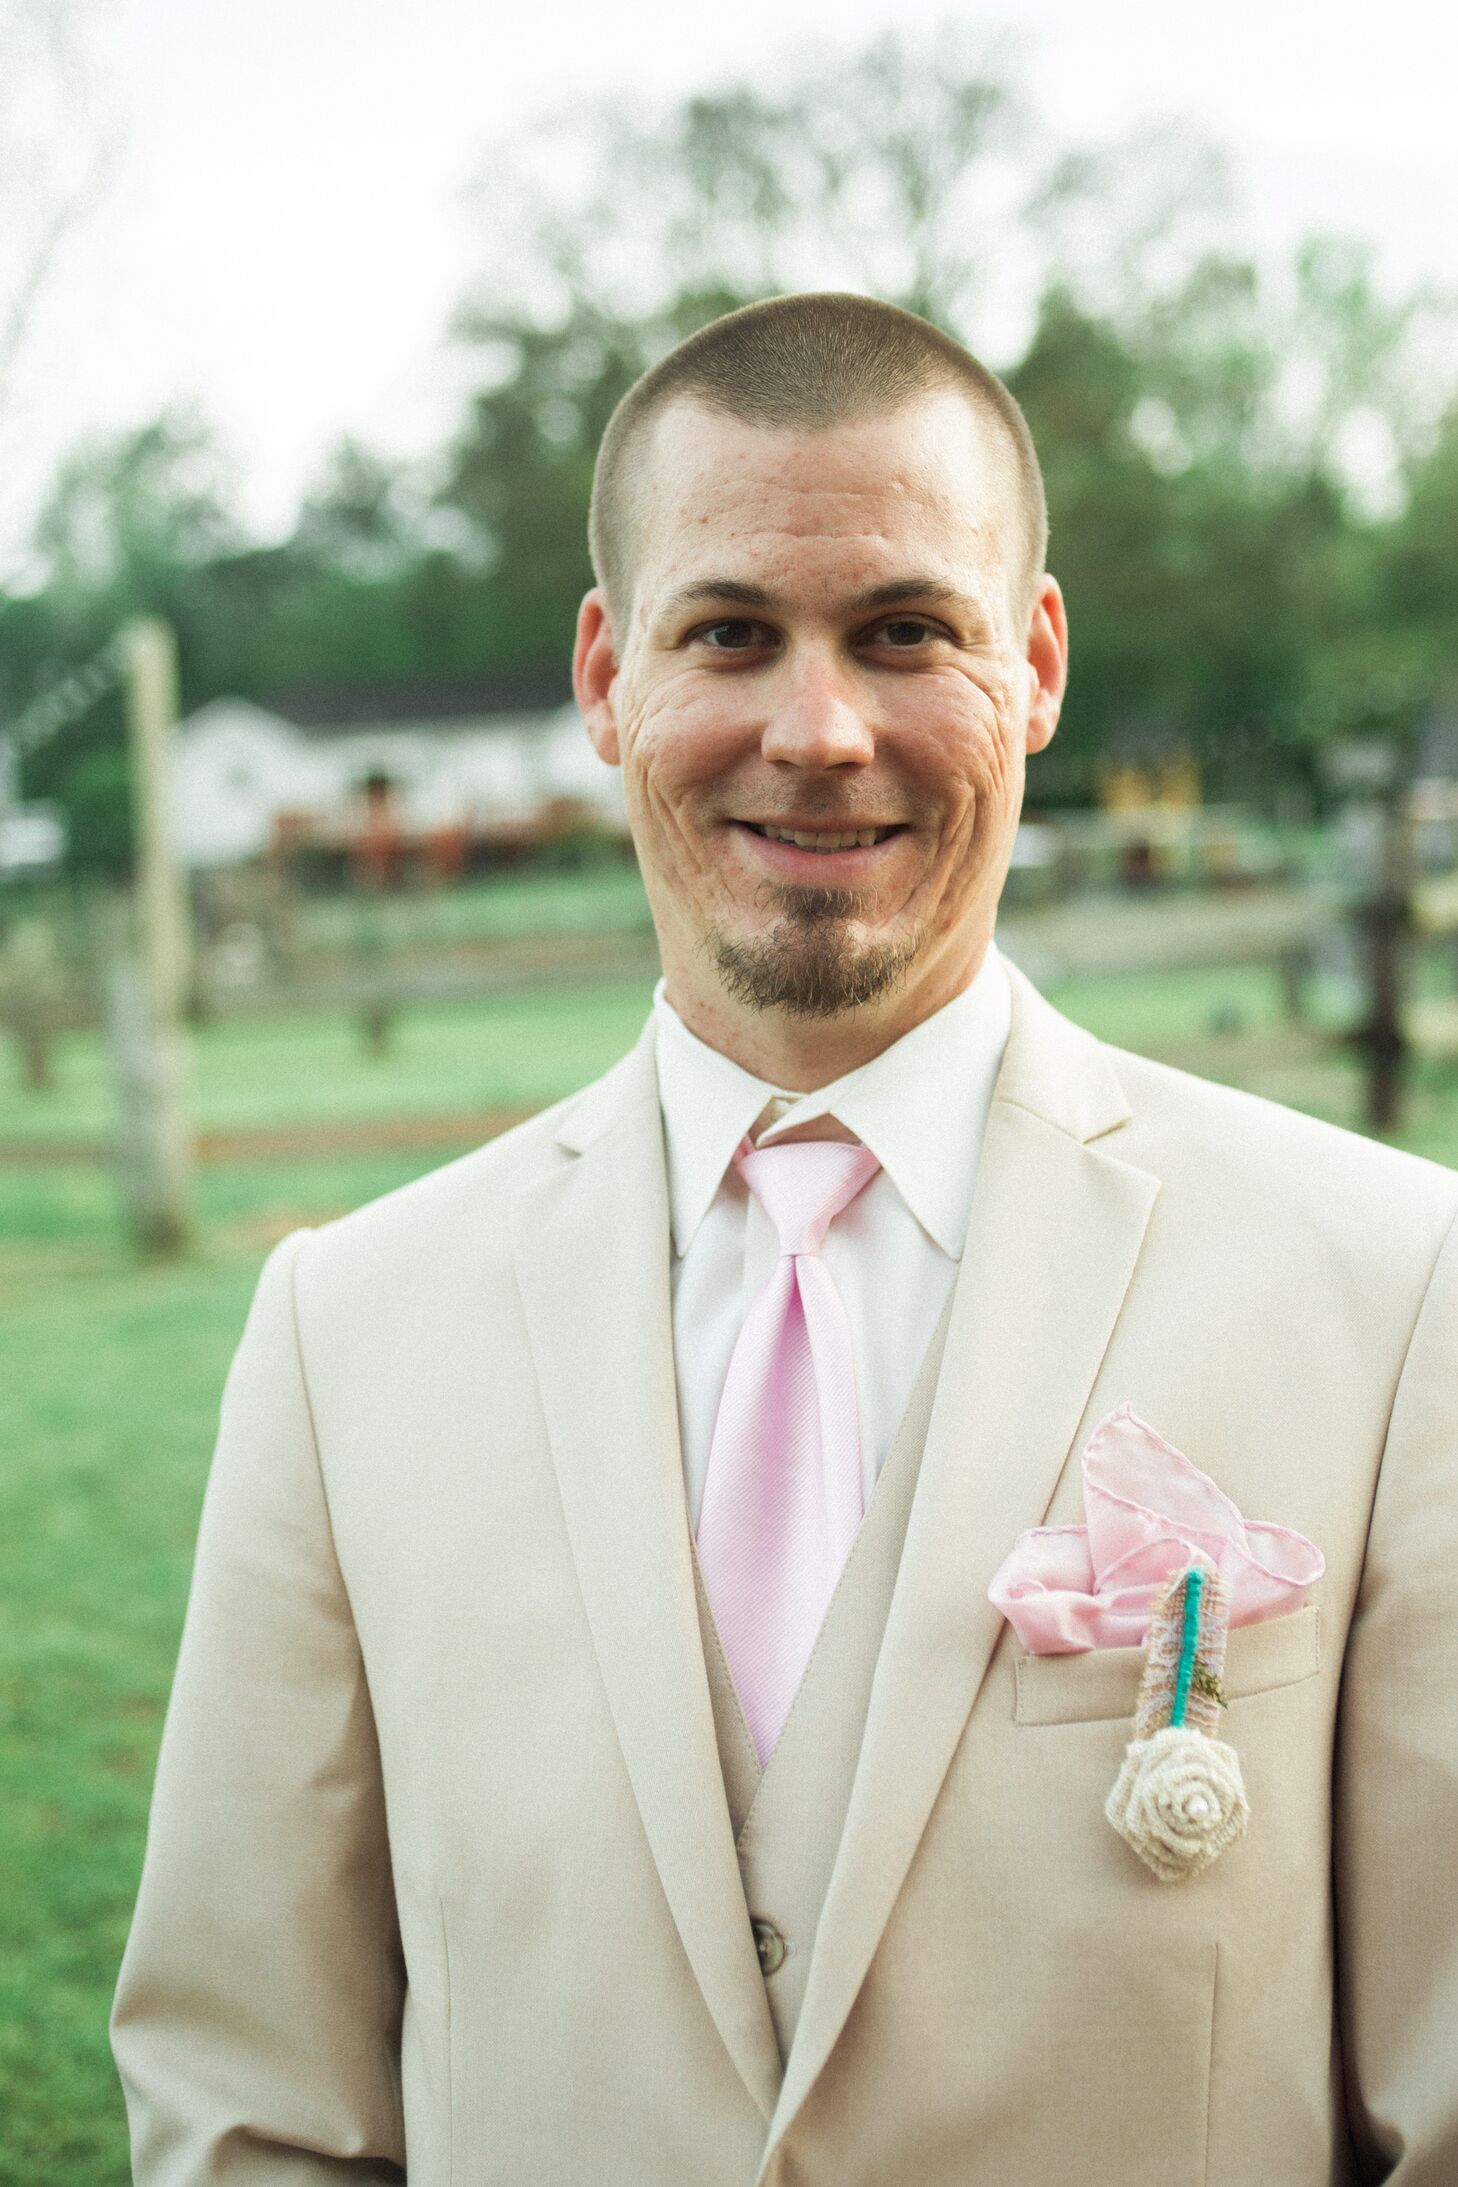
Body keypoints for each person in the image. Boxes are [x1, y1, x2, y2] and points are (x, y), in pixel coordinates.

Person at [111, 293, 1458, 2186]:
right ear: (604, 675)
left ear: (1038, 660)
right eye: (729, 632)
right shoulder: (346, 1336)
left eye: (907, 632)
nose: (817, 733)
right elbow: (253, 2098)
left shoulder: (1396, 1293)